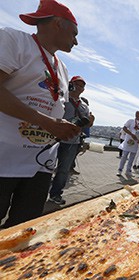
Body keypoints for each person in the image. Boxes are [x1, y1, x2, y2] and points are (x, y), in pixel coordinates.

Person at [0, 0, 80, 228]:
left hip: (40, 165)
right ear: (57, 23)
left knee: (23, 230)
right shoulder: (14, 40)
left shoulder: (62, 67)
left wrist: (63, 125)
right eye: (74, 33)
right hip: (4, 157)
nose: (76, 40)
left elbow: (52, 105)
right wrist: (46, 122)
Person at [48, 76, 94, 205]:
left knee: (63, 170)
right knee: (45, 167)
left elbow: (85, 124)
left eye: (81, 86)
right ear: (70, 84)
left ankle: (55, 194)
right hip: (54, 138)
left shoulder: (84, 106)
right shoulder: (62, 98)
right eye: (76, 84)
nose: (79, 88)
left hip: (72, 141)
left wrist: (90, 122)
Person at [117, 111, 139, 176]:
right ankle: (120, 169)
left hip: (135, 142)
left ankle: (128, 170)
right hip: (128, 140)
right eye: (136, 114)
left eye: (138, 114)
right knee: (124, 156)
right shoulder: (130, 121)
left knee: (132, 157)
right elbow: (124, 128)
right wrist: (131, 134)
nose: (136, 115)